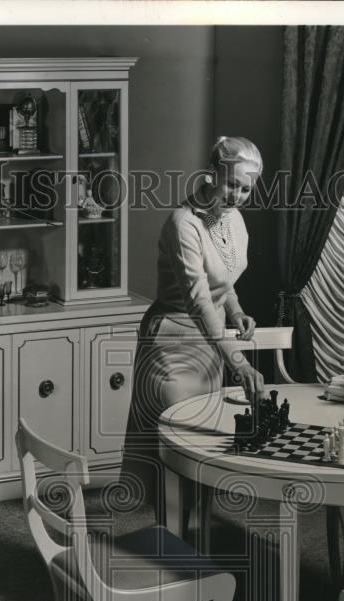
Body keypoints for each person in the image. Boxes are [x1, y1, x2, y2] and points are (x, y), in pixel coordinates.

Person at [121, 136, 267, 509]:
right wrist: (240, 361)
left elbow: (223, 283)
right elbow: (198, 298)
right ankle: (168, 542)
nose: (237, 195)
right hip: (172, 342)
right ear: (211, 173)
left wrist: (235, 311)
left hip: (211, 343)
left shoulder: (234, 220)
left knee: (203, 444)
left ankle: (191, 535)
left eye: (246, 189)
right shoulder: (181, 223)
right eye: (232, 184)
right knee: (174, 445)